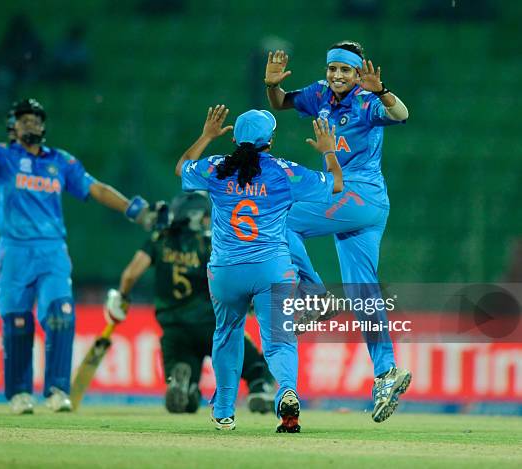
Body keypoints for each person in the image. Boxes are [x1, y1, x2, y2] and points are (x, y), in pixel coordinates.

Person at [0, 96, 156, 414]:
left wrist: (133, 209)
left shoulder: (61, 162)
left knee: (61, 314)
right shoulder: (4, 156)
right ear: (12, 128)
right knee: (17, 321)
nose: (33, 124)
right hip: (14, 253)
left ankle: (57, 390)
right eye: (25, 119)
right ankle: (19, 394)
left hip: (52, 251)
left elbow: (96, 189)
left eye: (37, 119)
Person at [264, 41, 411, 423]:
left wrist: (382, 90)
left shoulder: (366, 101)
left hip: (359, 194)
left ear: (357, 71)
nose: (338, 76)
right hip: (360, 203)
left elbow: (401, 113)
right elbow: (280, 102)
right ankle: (386, 372)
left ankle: (313, 291)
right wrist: (271, 86)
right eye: (333, 69)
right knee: (364, 294)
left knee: (281, 216)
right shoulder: (318, 95)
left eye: (345, 70)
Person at [175, 105, 343, 432]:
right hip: (271, 268)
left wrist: (206, 137)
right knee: (279, 339)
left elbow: (182, 168)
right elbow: (335, 184)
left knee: (226, 334)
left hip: (225, 270)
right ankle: (287, 391)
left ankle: (224, 410)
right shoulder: (285, 171)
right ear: (270, 140)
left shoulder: (216, 168)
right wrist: (329, 151)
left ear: (235, 137)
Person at [104, 192, 276, 414]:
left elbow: (129, 275)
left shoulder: (159, 239)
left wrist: (123, 298)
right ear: (196, 216)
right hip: (211, 325)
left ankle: (185, 384)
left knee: (186, 378)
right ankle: (259, 388)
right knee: (256, 365)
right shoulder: (210, 243)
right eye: (206, 215)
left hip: (173, 328)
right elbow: (230, 278)